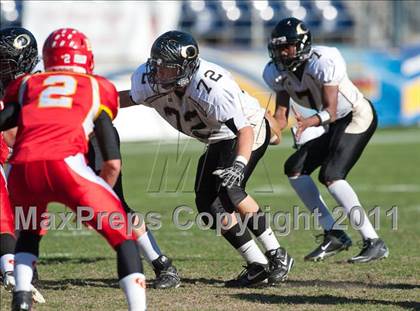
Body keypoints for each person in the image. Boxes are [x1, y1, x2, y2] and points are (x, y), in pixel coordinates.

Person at [119, 30, 294, 287]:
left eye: (166, 69)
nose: (158, 73)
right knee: (208, 206)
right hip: (218, 137)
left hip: (248, 128)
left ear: (186, 67)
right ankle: (257, 264)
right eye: (157, 66)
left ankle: (278, 255)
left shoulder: (212, 86)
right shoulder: (148, 80)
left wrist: (239, 164)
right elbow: (128, 98)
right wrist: (94, 104)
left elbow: (244, 130)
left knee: (231, 190)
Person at [0, 28, 146, 311]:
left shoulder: (28, 84)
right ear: (85, 57)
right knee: (123, 236)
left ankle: (21, 299)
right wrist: (96, 198)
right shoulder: (96, 86)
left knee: (28, 234)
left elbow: (7, 119)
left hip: (23, 170)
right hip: (66, 164)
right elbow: (112, 162)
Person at [263, 17, 389, 263]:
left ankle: (373, 241)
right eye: (277, 48)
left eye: (286, 46)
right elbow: (280, 115)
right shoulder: (274, 72)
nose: (282, 53)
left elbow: (331, 111)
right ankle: (334, 233)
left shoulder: (324, 60)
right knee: (295, 169)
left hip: (355, 115)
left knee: (331, 175)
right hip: (331, 123)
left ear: (301, 44)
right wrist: (265, 133)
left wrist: (308, 123)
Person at [88, 126, 181, 289]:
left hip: (94, 137)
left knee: (117, 209)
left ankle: (163, 266)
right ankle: (29, 271)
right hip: (69, 140)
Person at [0, 27, 45, 303]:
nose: (2, 69)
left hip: (42, 149)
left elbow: (17, 134)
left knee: (27, 209)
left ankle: (24, 263)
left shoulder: (40, 83)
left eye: (6, 63)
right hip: (16, 148)